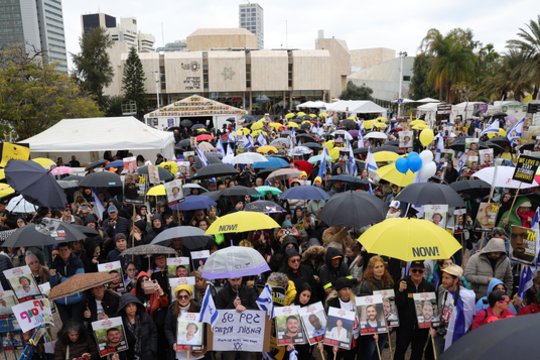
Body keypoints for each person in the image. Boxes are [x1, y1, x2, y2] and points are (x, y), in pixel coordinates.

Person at [394, 261, 435, 360]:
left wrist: (433, 325)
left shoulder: (429, 286)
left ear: (424, 271)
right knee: (400, 351)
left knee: (417, 353)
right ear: (410, 270)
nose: (417, 273)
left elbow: (433, 307)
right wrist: (400, 291)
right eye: (414, 270)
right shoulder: (402, 283)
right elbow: (397, 304)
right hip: (404, 326)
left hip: (421, 328)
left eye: (420, 271)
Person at [431, 264, 475, 356]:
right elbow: (441, 311)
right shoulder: (444, 291)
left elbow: (465, 322)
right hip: (441, 334)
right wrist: (434, 327)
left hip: (455, 337)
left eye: (447, 278)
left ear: (456, 280)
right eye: (443, 277)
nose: (443, 280)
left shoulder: (465, 297)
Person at [356, 256, 394, 360]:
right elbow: (363, 308)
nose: (380, 269)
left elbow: (391, 303)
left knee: (378, 352)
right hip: (371, 326)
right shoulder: (366, 285)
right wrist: (373, 330)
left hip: (384, 324)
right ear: (371, 269)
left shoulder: (388, 282)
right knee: (368, 353)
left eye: (381, 266)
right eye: (376, 267)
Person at [164, 285, 205, 360]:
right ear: (177, 298)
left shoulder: (198, 308)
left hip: (195, 350)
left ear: (190, 297)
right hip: (179, 349)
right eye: (180, 297)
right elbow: (167, 328)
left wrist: (203, 342)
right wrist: (173, 342)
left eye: (186, 296)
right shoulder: (172, 309)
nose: (183, 299)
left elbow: (204, 327)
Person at [49, 242, 85, 323]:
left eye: (65, 249)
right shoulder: (55, 263)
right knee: (66, 325)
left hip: (76, 299)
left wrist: (62, 279)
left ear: (70, 250)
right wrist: (53, 276)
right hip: (61, 301)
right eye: (61, 250)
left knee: (76, 324)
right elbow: (53, 285)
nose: (63, 252)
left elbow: (78, 281)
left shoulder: (78, 262)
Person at [117, 293, 157, 360]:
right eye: (128, 306)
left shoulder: (145, 317)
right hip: (130, 356)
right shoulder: (121, 322)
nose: (132, 308)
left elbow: (154, 332)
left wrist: (152, 348)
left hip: (147, 354)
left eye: (133, 305)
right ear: (124, 308)